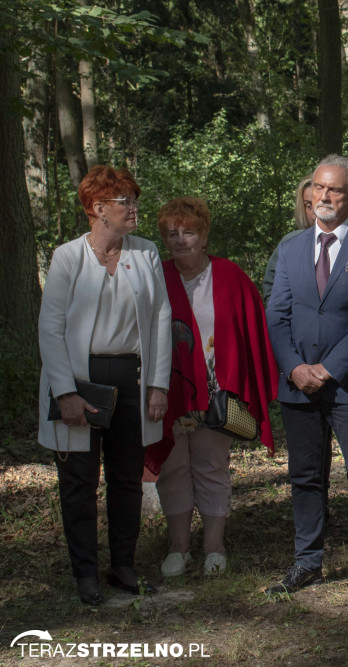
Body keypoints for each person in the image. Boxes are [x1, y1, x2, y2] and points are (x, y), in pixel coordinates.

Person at [37, 165, 171, 604]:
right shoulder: (67, 257)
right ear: (98, 209)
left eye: (134, 199)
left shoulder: (146, 252)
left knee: (127, 478)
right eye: (124, 201)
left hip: (132, 377)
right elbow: (50, 328)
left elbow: (161, 320)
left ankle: (124, 566)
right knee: (78, 479)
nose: (134, 208)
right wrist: (66, 392)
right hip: (81, 379)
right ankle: (86, 574)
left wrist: (158, 384)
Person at [265, 155, 348, 604]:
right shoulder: (291, 247)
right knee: (305, 476)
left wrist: (330, 369)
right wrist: (295, 368)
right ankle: (307, 561)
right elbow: (276, 315)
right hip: (297, 383)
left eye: (335, 189)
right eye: (319, 187)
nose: (324, 196)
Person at [145, 197, 278, 577]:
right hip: (166, 392)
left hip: (216, 393)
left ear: (204, 236)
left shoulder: (230, 275)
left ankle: (214, 546)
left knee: (211, 465)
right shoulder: (156, 276)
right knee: (173, 466)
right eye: (172, 233)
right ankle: (179, 547)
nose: (181, 239)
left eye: (189, 231)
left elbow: (250, 332)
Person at [263, 174, 315, 302]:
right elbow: (270, 290)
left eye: (321, 204)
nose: (315, 213)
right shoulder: (290, 243)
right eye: (309, 206)